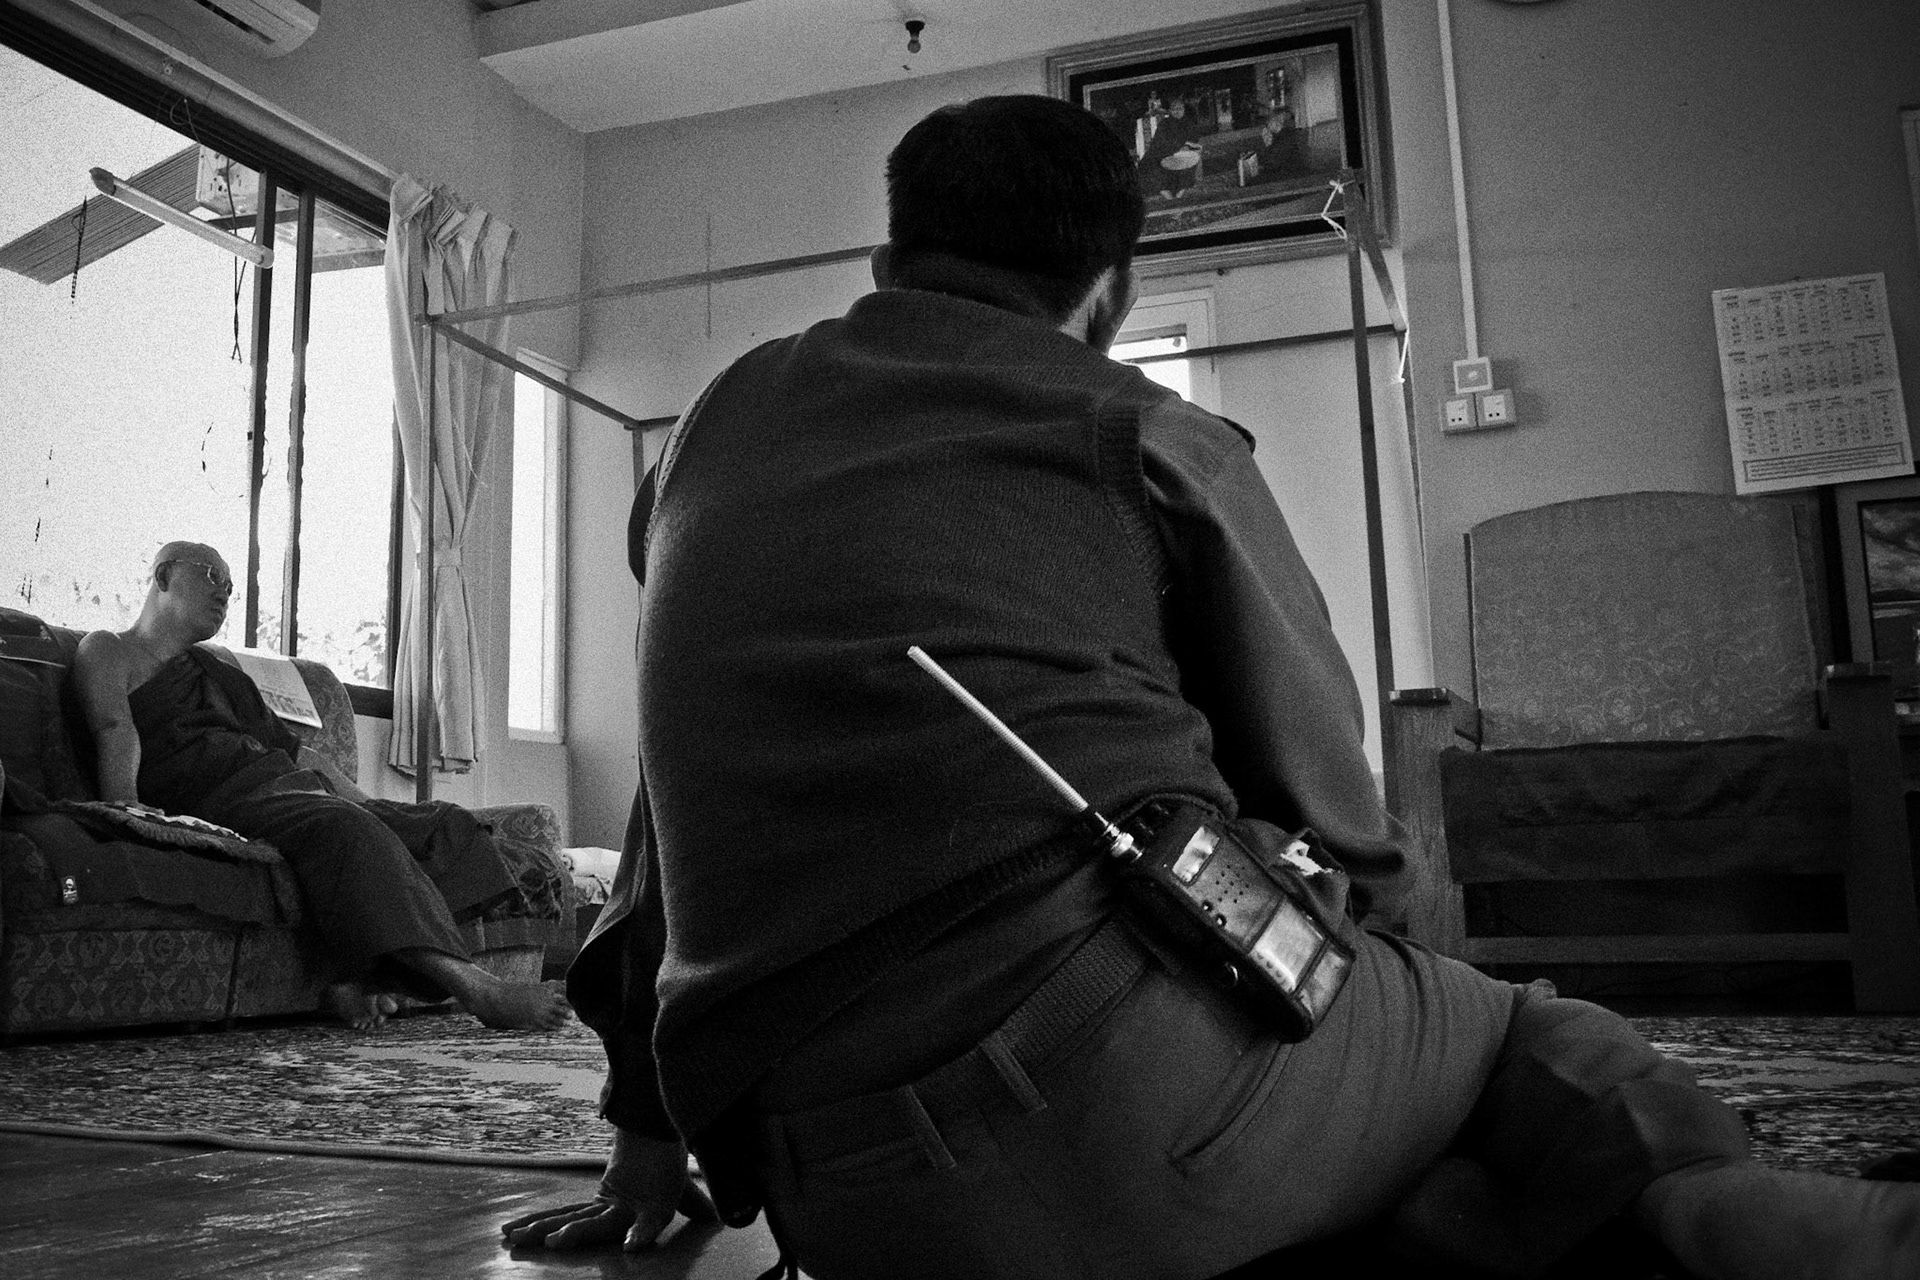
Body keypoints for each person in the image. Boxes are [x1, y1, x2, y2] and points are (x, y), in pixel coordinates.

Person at [501, 96, 1920, 1278]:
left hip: (829, 1199)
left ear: (887, 261)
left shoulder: (705, 440)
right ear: (1111, 293)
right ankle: (1717, 1213)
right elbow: (1347, 830)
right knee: (1524, 1041)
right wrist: (1348, 976)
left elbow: (666, 825)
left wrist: (644, 1132)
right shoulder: (1154, 432)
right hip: (1113, 1135)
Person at [73, 541, 572, 1033]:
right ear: (163, 576)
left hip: (287, 788)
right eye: (211, 576)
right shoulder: (108, 648)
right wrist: (130, 816)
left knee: (443, 825)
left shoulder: (220, 673)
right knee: (346, 828)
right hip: (221, 796)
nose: (225, 593)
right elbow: (117, 732)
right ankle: (478, 989)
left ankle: (356, 978)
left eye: (230, 585)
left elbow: (300, 756)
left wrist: (372, 804)